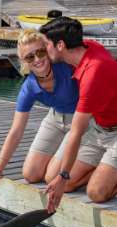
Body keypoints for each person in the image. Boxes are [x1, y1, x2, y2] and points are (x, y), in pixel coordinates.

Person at [0, 28, 78, 198]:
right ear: (24, 62)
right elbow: (16, 131)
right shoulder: (28, 87)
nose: (37, 59)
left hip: (80, 121)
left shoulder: (67, 67)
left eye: (40, 52)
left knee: (52, 176)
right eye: (29, 57)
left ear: (47, 50)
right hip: (55, 117)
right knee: (31, 173)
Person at [39, 16, 117, 213]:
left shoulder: (93, 73)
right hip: (100, 128)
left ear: (60, 45)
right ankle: (106, 169)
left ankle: (107, 173)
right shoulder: (86, 47)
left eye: (46, 45)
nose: (44, 50)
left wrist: (64, 176)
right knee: (51, 177)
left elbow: (76, 132)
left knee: (96, 192)